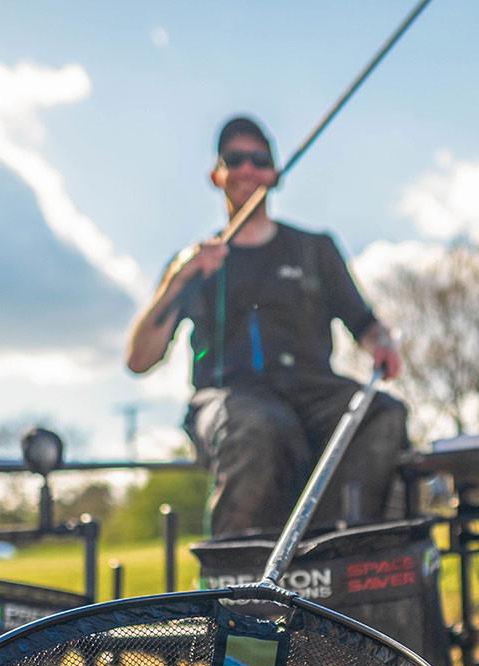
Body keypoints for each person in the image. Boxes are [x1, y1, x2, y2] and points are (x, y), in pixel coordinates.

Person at [125, 115, 407, 537]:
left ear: (275, 175)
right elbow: (139, 359)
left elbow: (365, 324)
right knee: (257, 428)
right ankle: (234, 588)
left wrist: (383, 343)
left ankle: (328, 552)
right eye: (234, 159)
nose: (246, 170)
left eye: (259, 160)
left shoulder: (316, 250)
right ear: (216, 175)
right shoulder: (193, 264)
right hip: (229, 398)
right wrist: (179, 278)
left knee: (382, 413)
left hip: (313, 391)